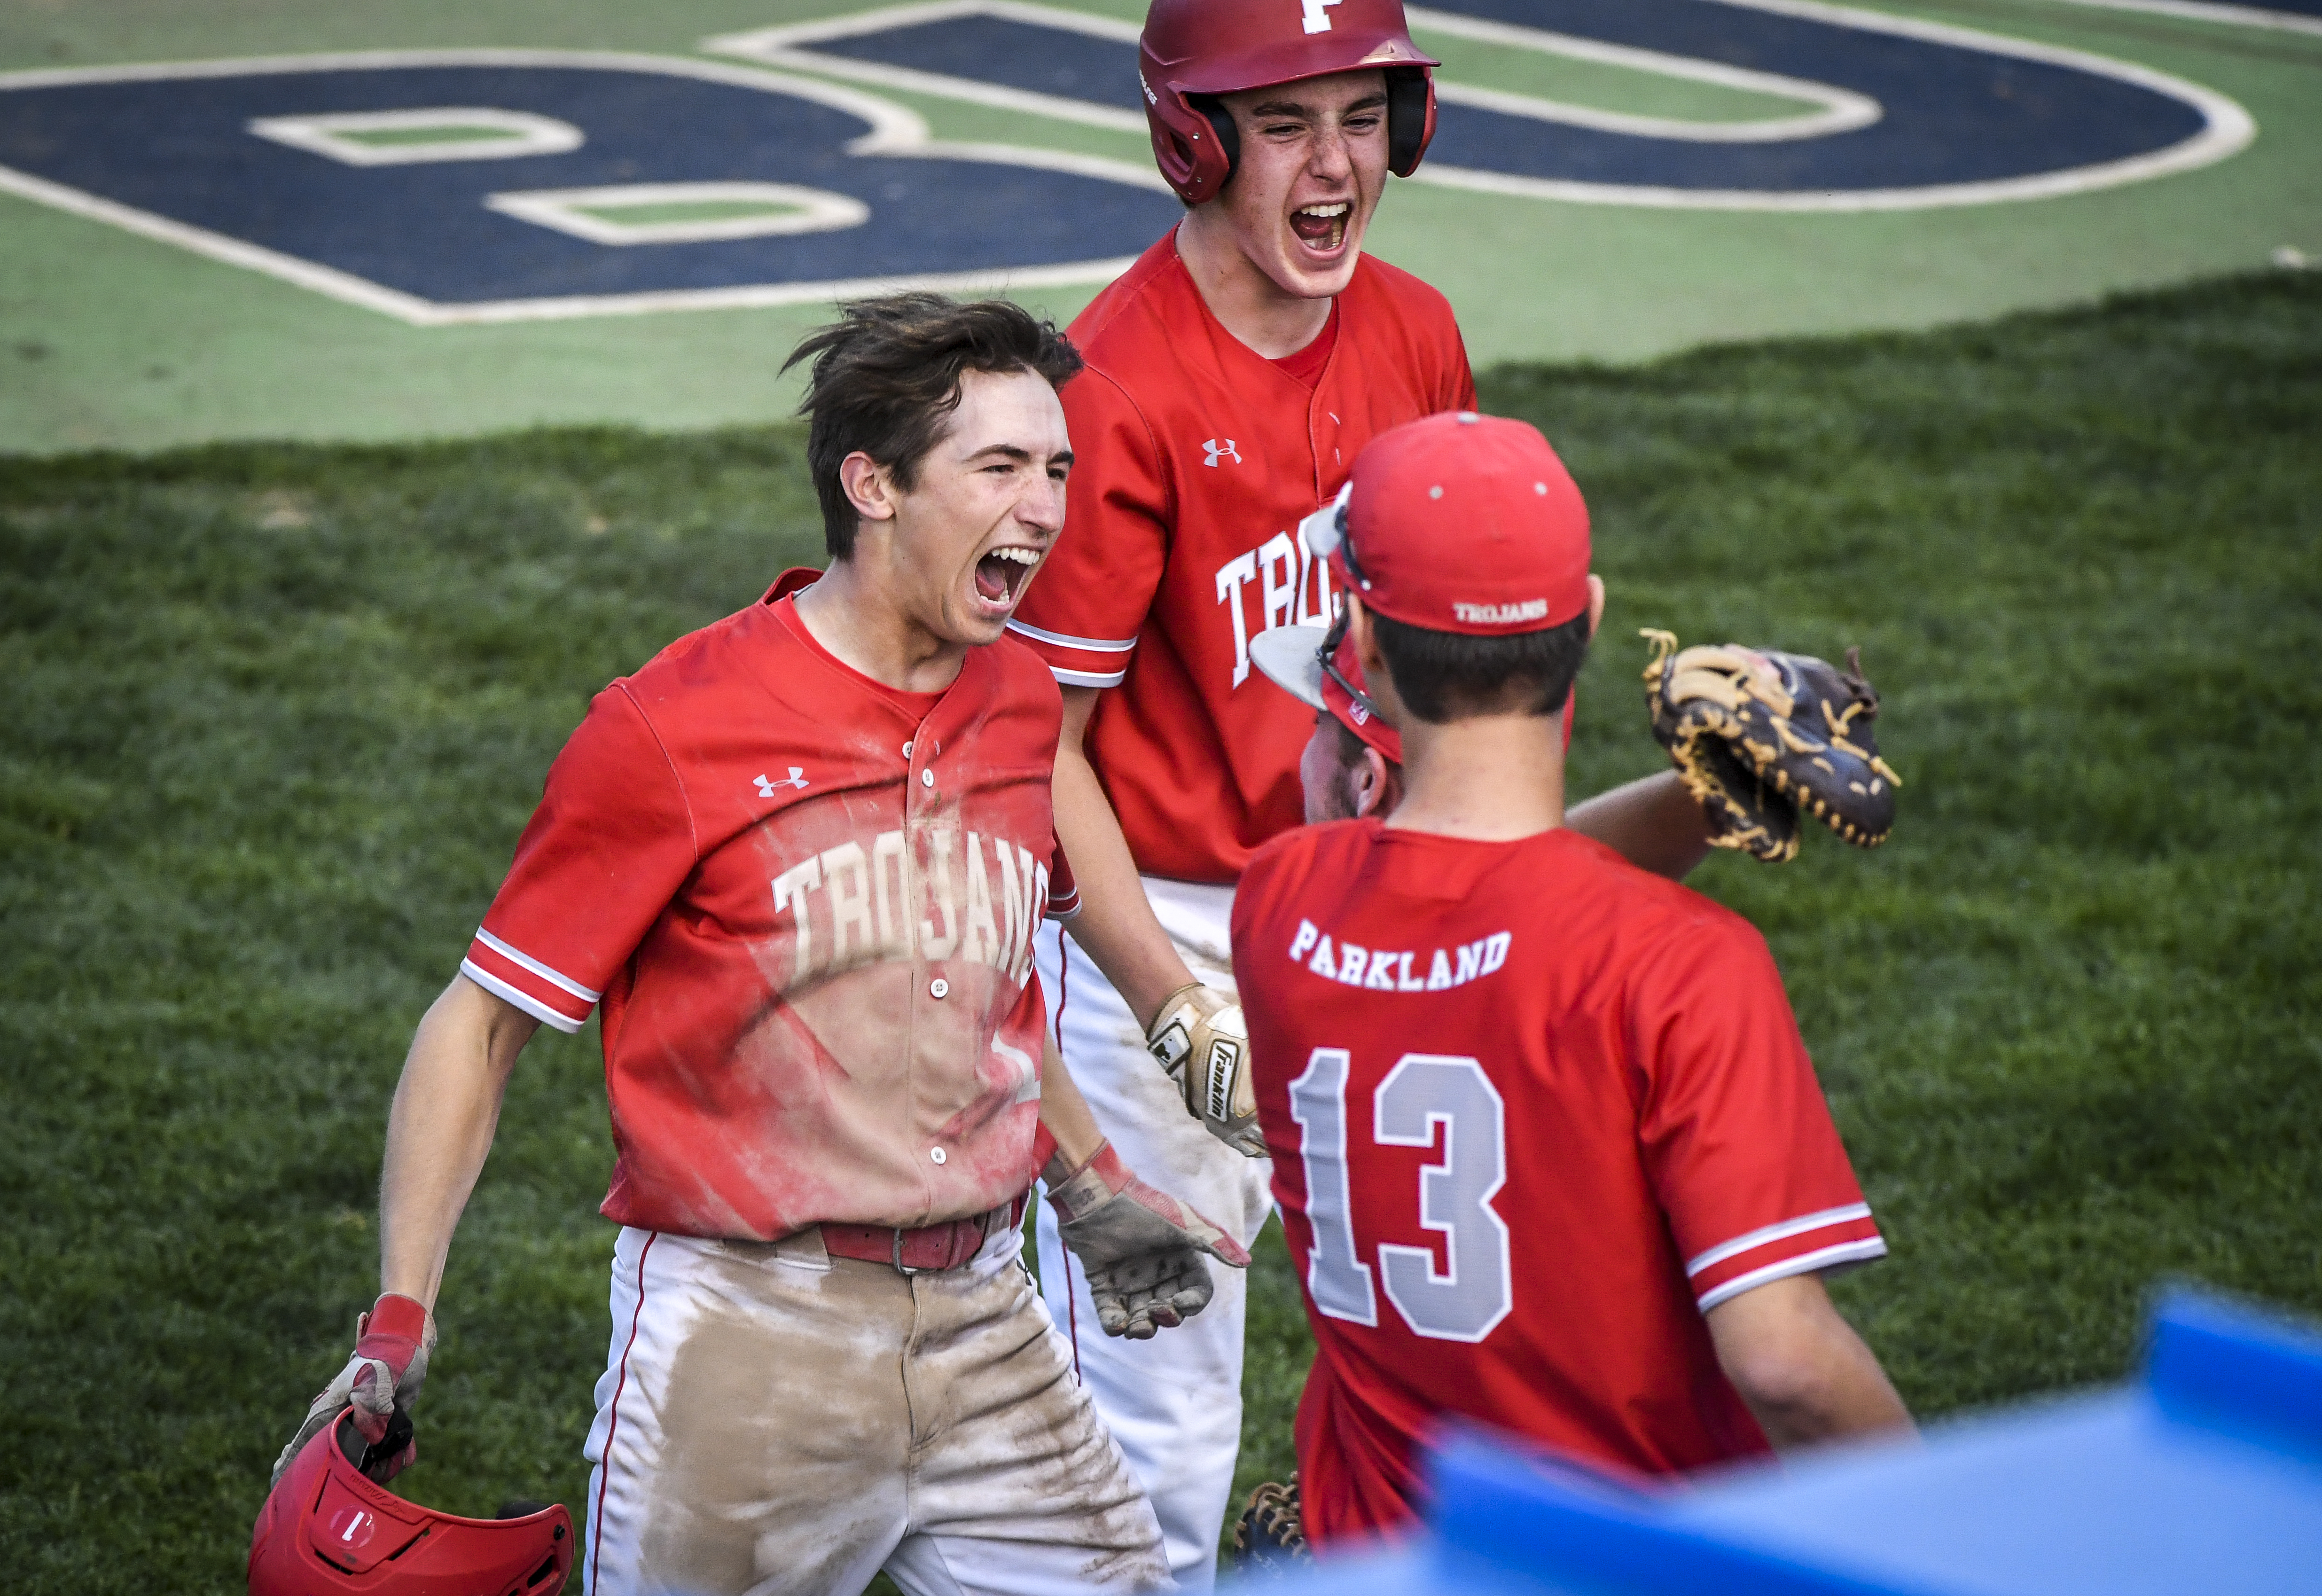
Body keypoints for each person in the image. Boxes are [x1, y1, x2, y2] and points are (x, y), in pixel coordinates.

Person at [269, 294, 1254, 1596]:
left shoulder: (1017, 700)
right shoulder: (673, 727)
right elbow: (482, 1019)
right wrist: (400, 1313)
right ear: (873, 485)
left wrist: (1084, 1180)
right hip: (746, 1340)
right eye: (1000, 467)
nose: (1045, 507)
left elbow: (986, 995)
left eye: (1057, 468)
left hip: (987, 1327)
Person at [1004, 1, 1714, 1578]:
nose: (1336, 163)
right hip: (1168, 930)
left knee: (1454, 1338)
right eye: (1282, 123)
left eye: (1360, 114)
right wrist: (1173, 1006)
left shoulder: (1415, 330)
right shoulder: (1110, 388)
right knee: (1155, 1427)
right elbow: (1034, 751)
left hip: (1377, 902)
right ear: (1193, 141)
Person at [1229, 411, 1914, 1546]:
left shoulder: (1278, 903)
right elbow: (1785, 1362)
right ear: (1588, 620)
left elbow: (1480, 897)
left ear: (1362, 637)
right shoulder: (1684, 966)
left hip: (1382, 1555)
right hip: (1632, 1563)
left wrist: (1695, 801)